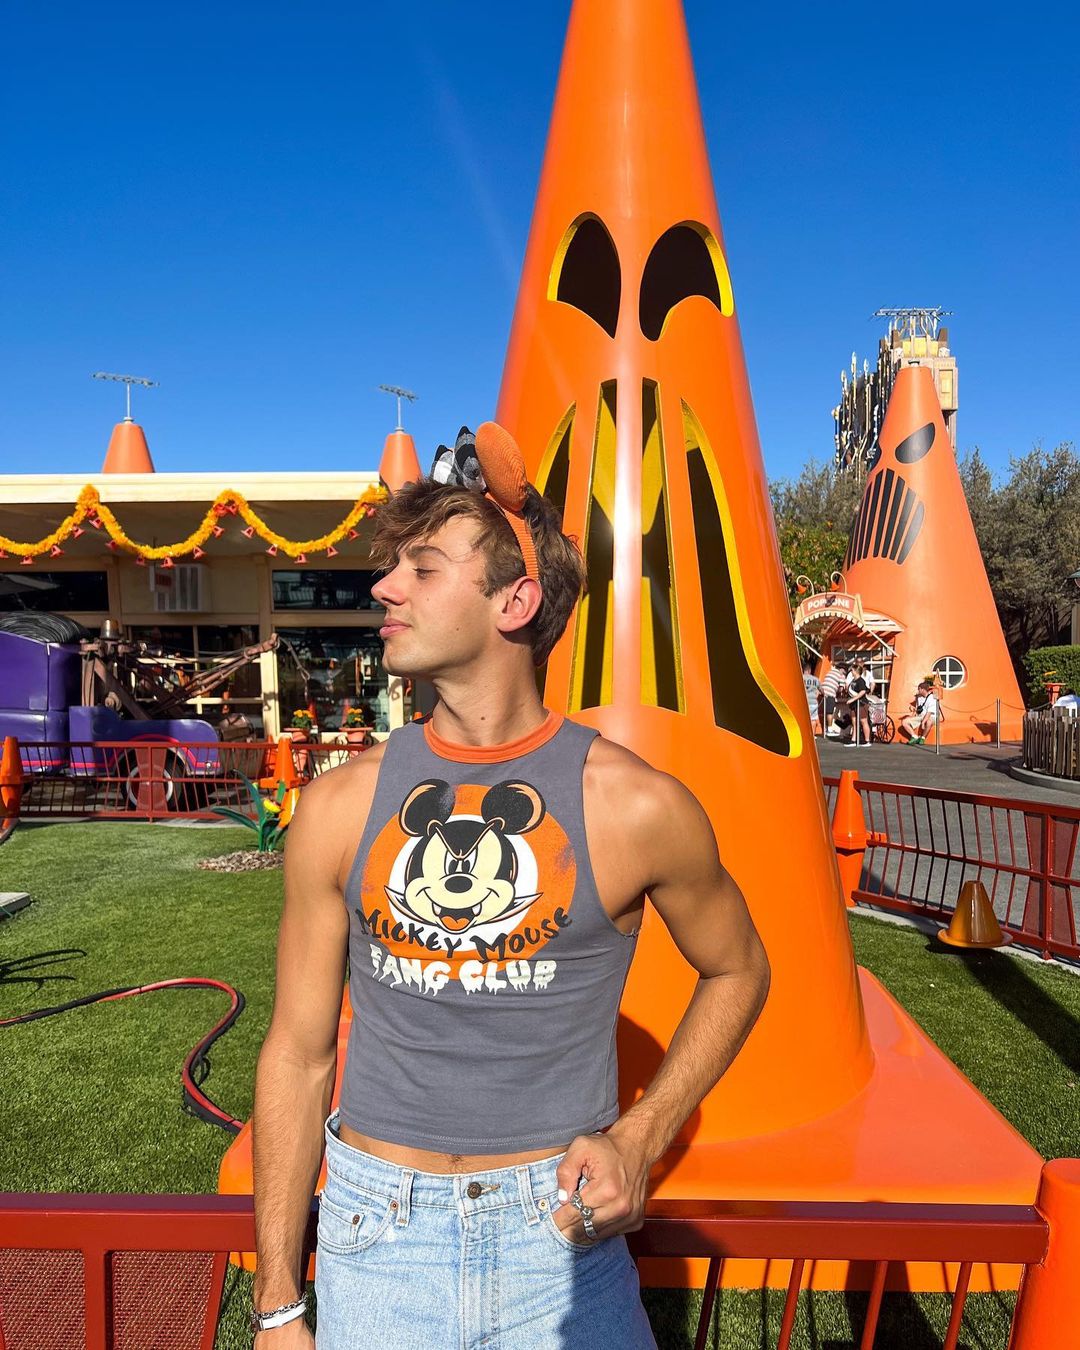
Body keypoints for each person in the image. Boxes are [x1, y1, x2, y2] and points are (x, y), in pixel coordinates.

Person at [249, 424, 771, 1349]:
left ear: (515, 600)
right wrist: (279, 1303)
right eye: (392, 569)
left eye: (422, 569)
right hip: (377, 1232)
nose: (385, 588)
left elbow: (740, 969)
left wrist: (642, 1136)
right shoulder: (338, 807)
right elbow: (297, 1053)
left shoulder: (635, 806)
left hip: (559, 1237)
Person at [845, 662, 873, 746]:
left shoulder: (861, 681)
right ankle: (853, 740)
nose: (851, 672)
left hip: (861, 704)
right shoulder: (853, 680)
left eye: (852, 670)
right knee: (854, 722)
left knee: (863, 721)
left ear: (856, 671)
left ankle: (867, 740)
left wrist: (853, 699)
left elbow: (863, 691)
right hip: (854, 705)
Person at [821, 660, 848, 737]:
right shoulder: (841, 675)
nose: (845, 672)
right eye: (845, 670)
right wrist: (840, 692)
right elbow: (841, 689)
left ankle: (825, 729)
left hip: (823, 693)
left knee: (825, 712)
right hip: (830, 694)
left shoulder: (830, 672)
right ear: (842, 669)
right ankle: (829, 730)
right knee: (830, 712)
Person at [801, 658, 821, 733]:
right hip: (813, 702)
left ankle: (804, 734)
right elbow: (821, 689)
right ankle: (812, 735)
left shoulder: (800, 678)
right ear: (810, 670)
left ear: (803, 670)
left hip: (804, 702)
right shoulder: (815, 679)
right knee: (813, 719)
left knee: (803, 719)